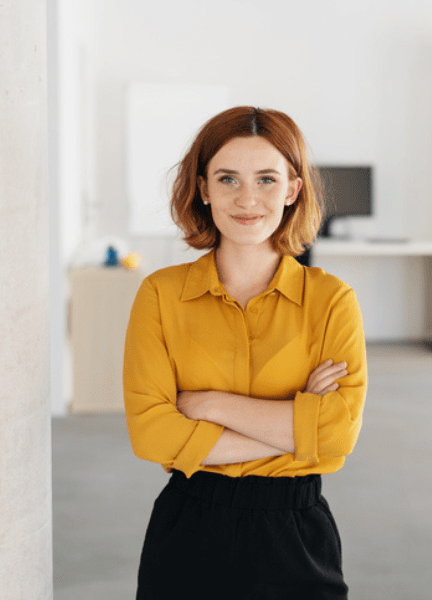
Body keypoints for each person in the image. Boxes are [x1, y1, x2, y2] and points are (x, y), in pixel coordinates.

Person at [123, 106, 367, 599]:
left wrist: (209, 405)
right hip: (189, 530)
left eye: (267, 180)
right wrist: (299, 430)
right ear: (203, 189)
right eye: (228, 178)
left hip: (295, 535)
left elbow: (338, 435)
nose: (248, 199)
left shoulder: (331, 300)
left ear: (293, 189)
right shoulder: (160, 295)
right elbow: (151, 435)